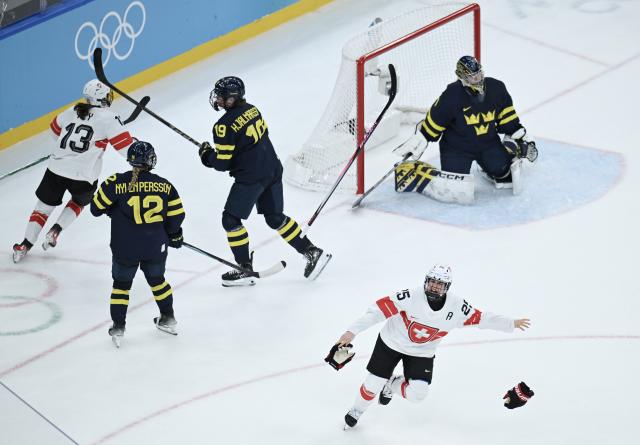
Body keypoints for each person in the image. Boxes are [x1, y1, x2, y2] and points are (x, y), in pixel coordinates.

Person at [332, 263, 531, 428]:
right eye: (433, 282)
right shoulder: (410, 296)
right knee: (372, 384)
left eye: (440, 284)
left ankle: (391, 384)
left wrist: (510, 323)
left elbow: (482, 318)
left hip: (422, 351)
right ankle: (356, 410)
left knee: (418, 394)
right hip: (391, 343)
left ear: (447, 287)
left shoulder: (457, 307)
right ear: (426, 282)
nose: (435, 287)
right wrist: (351, 332)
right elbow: (377, 311)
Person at [198, 76, 331, 286]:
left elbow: (222, 163)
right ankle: (311, 251)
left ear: (232, 98)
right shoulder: (252, 109)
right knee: (274, 217)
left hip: (252, 178)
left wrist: (207, 156)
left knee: (230, 220)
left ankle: (243, 268)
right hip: (272, 169)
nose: (218, 100)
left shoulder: (223, 126)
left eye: (222, 96)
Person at [12, 79, 135, 263]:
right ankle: (56, 230)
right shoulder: (110, 118)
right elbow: (126, 148)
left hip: (56, 168)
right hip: (83, 174)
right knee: (78, 202)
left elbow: (54, 131)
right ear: (103, 98)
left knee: (43, 208)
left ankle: (25, 244)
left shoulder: (72, 110)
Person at [395, 55, 538, 198]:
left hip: (488, 144)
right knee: (456, 189)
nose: (478, 79)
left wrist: (520, 137)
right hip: (457, 148)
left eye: (479, 74)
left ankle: (507, 150)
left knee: (504, 174)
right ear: (461, 77)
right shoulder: (451, 95)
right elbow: (435, 121)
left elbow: (508, 119)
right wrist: (422, 137)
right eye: (472, 77)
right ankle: (425, 174)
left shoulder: (496, 88)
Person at [90, 140, 185, 348]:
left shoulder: (116, 182)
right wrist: (174, 234)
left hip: (125, 246)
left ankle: (118, 326)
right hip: (155, 246)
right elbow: (177, 216)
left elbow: (95, 209)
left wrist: (112, 208)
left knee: (121, 287)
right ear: (150, 161)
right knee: (158, 281)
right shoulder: (164, 185)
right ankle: (168, 318)